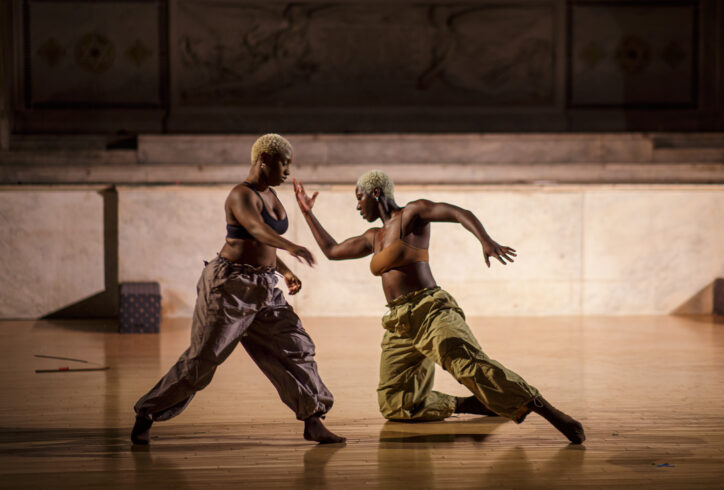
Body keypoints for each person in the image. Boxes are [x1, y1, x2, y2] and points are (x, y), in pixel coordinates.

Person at [293, 170, 585, 444]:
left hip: (430, 310)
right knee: (396, 405)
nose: (357, 206)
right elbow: (332, 251)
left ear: (376, 192)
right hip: (400, 322)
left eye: (359, 197)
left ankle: (543, 408)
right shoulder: (374, 237)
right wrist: (307, 213)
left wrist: (485, 240)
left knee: (468, 364)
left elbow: (459, 213)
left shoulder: (413, 214)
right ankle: (470, 404)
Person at [131, 134, 345, 445]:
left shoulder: (271, 194)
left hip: (264, 286)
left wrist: (284, 272)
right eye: (284, 163)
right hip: (229, 287)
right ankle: (147, 412)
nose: (288, 170)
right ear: (265, 160)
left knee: (295, 348)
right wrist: (293, 246)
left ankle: (313, 419)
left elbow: (262, 246)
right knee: (203, 360)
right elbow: (256, 230)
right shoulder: (240, 195)